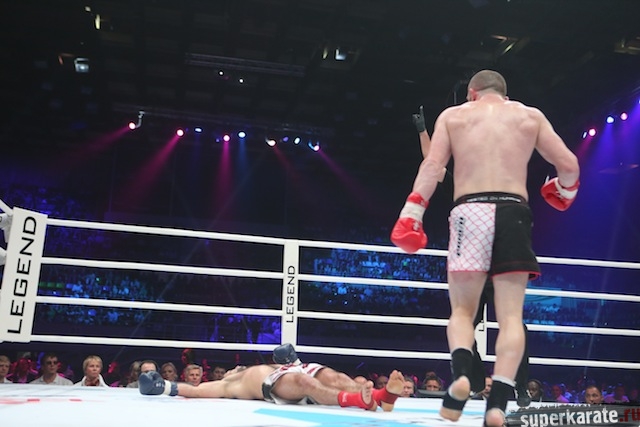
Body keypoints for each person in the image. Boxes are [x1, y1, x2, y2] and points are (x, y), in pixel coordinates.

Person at [392, 70, 580, 427]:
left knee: (463, 312)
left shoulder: (455, 116)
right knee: (511, 318)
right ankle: (497, 405)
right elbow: (569, 165)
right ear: (505, 94)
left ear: (472, 93)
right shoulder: (529, 116)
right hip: (513, 212)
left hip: (470, 210)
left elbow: (432, 165)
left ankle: (463, 376)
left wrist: (411, 213)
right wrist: (564, 190)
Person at [413, 105, 533, 408]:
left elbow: (433, 164)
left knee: (480, 320)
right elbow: (433, 163)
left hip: (485, 256)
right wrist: (423, 131)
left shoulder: (503, 181)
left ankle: (511, 384)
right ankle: (479, 379)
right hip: (485, 256)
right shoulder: (471, 184)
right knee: (486, 321)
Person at [139, 362, 405, 412]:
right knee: (305, 383)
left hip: (292, 368)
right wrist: (163, 386)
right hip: (274, 384)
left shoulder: (251, 365)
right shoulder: (228, 383)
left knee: (335, 377)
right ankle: (361, 401)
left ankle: (383, 397)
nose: (233, 368)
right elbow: (195, 391)